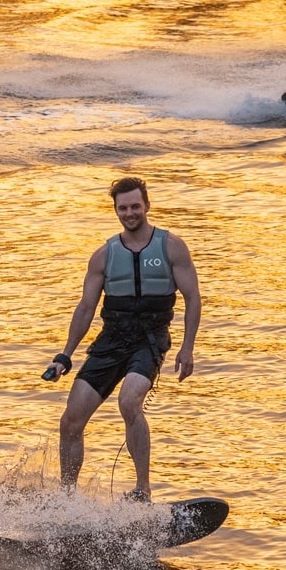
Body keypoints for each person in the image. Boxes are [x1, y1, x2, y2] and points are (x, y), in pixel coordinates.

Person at [43, 177, 200, 502]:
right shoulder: (103, 255)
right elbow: (86, 307)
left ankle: (142, 490)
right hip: (110, 341)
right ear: (116, 210)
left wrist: (187, 348)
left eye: (135, 206)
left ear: (146, 205)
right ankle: (66, 500)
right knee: (71, 421)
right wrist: (64, 355)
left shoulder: (171, 246)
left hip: (150, 340)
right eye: (123, 207)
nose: (129, 212)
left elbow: (193, 297)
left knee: (129, 402)